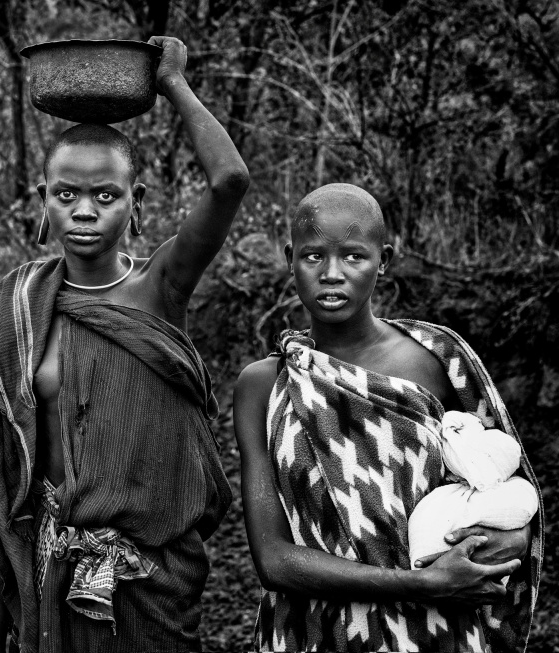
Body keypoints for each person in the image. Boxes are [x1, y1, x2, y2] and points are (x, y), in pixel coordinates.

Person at [0, 36, 248, 653]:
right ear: (44, 205)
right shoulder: (22, 304)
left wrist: (173, 84)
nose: (85, 210)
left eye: (106, 195)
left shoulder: (158, 290)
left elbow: (229, 182)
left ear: (135, 205)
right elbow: (1, 460)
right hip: (46, 563)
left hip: (147, 576)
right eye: (67, 195)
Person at [232, 183, 543, 652]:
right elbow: (273, 560)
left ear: (386, 260)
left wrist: (505, 540)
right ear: (289, 258)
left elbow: (507, 485)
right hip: (310, 633)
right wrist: (424, 584)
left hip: (436, 633)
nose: (332, 274)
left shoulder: (438, 359)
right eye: (313, 257)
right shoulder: (263, 386)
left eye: (354, 257)